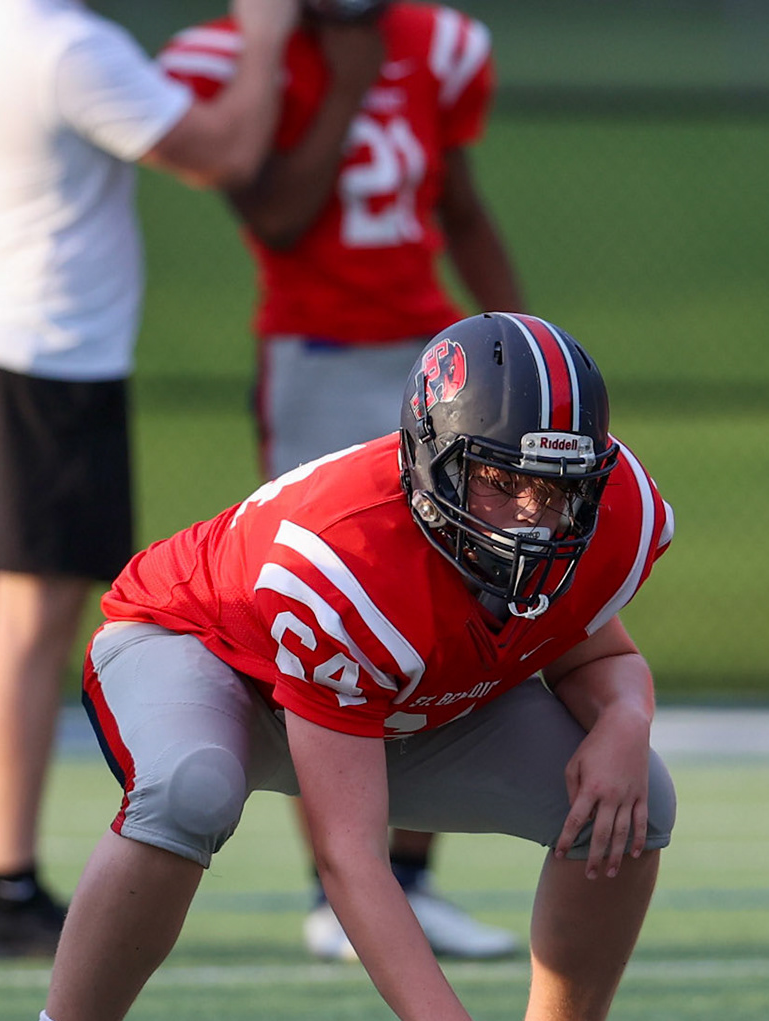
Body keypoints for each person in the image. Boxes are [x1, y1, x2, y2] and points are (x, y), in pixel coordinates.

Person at [0, 312, 691, 1021]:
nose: (536, 517)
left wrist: (625, 721)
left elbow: (599, 651)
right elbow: (351, 855)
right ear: (436, 459)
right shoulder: (345, 556)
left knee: (637, 797)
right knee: (191, 789)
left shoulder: (615, 511)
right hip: (209, 656)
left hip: (391, 693)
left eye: (558, 488)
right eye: (504, 481)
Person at [0, 0, 300, 958]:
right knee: (31, 624)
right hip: (47, 358)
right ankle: (4, 890)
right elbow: (225, 152)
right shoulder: (67, 47)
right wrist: (266, 35)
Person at [158, 0, 526, 966]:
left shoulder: (438, 44)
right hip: (317, 355)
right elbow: (277, 214)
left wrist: (529, 355)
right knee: (327, 600)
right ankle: (337, 882)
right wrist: (351, 80)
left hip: (434, 357)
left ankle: (407, 879)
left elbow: (462, 206)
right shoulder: (237, 54)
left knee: (467, 589)